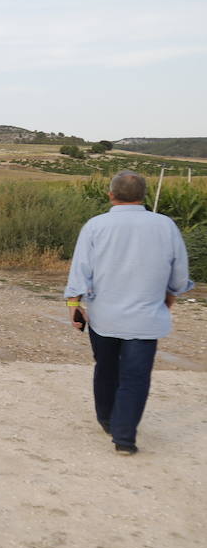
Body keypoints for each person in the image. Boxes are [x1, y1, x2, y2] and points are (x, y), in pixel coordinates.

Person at [65, 170, 194, 454]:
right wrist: (170, 298)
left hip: (104, 317)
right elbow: (179, 274)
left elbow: (80, 271)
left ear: (111, 195)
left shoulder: (96, 226)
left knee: (106, 368)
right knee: (136, 377)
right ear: (143, 196)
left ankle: (107, 419)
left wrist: (74, 307)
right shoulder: (165, 225)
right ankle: (124, 437)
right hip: (146, 319)